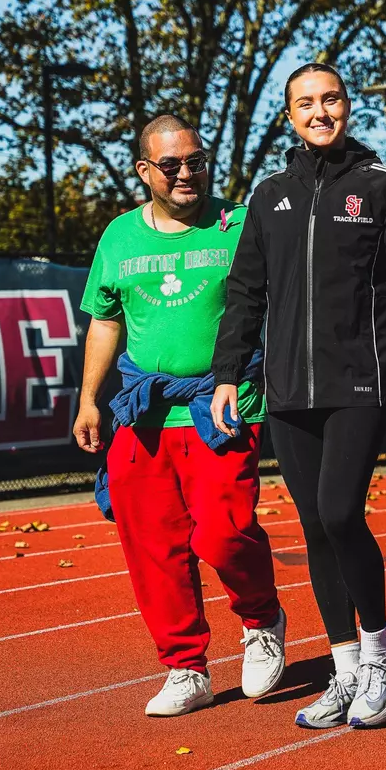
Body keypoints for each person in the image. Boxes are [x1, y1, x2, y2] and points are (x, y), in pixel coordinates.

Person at [210, 63, 386, 729]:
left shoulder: (381, 188)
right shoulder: (268, 196)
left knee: (342, 513)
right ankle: (345, 671)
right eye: (305, 103)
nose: (320, 111)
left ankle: (379, 657)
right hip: (287, 392)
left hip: (358, 384)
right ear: (289, 115)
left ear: (347, 107)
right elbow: (245, 294)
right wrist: (229, 372)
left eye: (331, 99)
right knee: (315, 526)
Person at [73, 114, 286, 717]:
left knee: (222, 534)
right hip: (143, 413)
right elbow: (106, 320)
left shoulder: (239, 223)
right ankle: (185, 666)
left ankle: (262, 618)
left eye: (196, 160)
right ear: (145, 171)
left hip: (221, 405)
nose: (187, 172)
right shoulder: (119, 237)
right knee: (152, 547)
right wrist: (90, 399)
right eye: (172, 164)